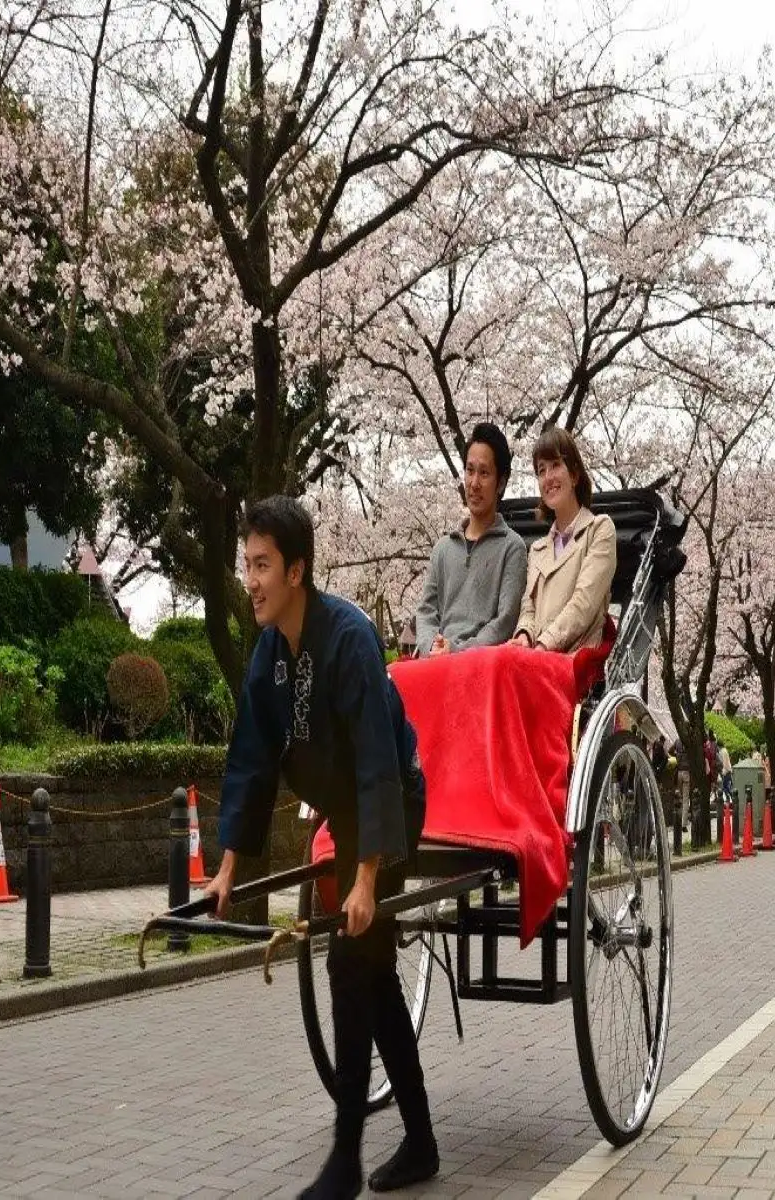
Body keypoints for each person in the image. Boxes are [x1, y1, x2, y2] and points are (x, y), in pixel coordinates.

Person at [207, 497, 437, 1198]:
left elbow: (375, 761)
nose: (249, 580)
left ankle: (344, 1157)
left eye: (263, 565)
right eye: (246, 565)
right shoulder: (269, 652)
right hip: (346, 814)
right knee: (372, 972)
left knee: (348, 963)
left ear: (297, 569)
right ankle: (421, 1140)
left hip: (391, 804)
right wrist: (226, 872)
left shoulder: (349, 638)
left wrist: (366, 879)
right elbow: (250, 759)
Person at [415, 423, 527, 657]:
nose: (474, 483)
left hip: (481, 665)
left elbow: (505, 621)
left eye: (484, 473)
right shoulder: (443, 549)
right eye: (469, 470)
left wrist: (456, 651)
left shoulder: (512, 547)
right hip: (435, 661)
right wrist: (430, 648)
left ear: (502, 482)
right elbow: (426, 612)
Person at [513, 428, 616, 652]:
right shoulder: (538, 550)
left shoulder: (599, 530)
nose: (548, 477)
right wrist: (524, 635)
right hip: (536, 657)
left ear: (574, 475)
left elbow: (584, 603)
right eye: (541, 470)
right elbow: (529, 608)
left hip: (573, 659)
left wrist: (543, 645)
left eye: (556, 465)